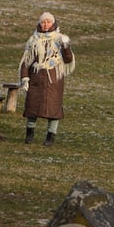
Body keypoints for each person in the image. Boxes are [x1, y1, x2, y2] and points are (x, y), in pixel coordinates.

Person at [19, 11, 76, 146]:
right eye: (43, 22)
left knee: (54, 108)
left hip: (54, 80)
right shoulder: (33, 40)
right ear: (39, 23)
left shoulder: (59, 39)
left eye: (48, 22)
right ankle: (29, 134)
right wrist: (25, 78)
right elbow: (26, 62)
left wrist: (66, 46)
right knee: (32, 107)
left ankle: (50, 136)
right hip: (36, 78)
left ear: (53, 23)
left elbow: (68, 60)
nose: (45, 25)